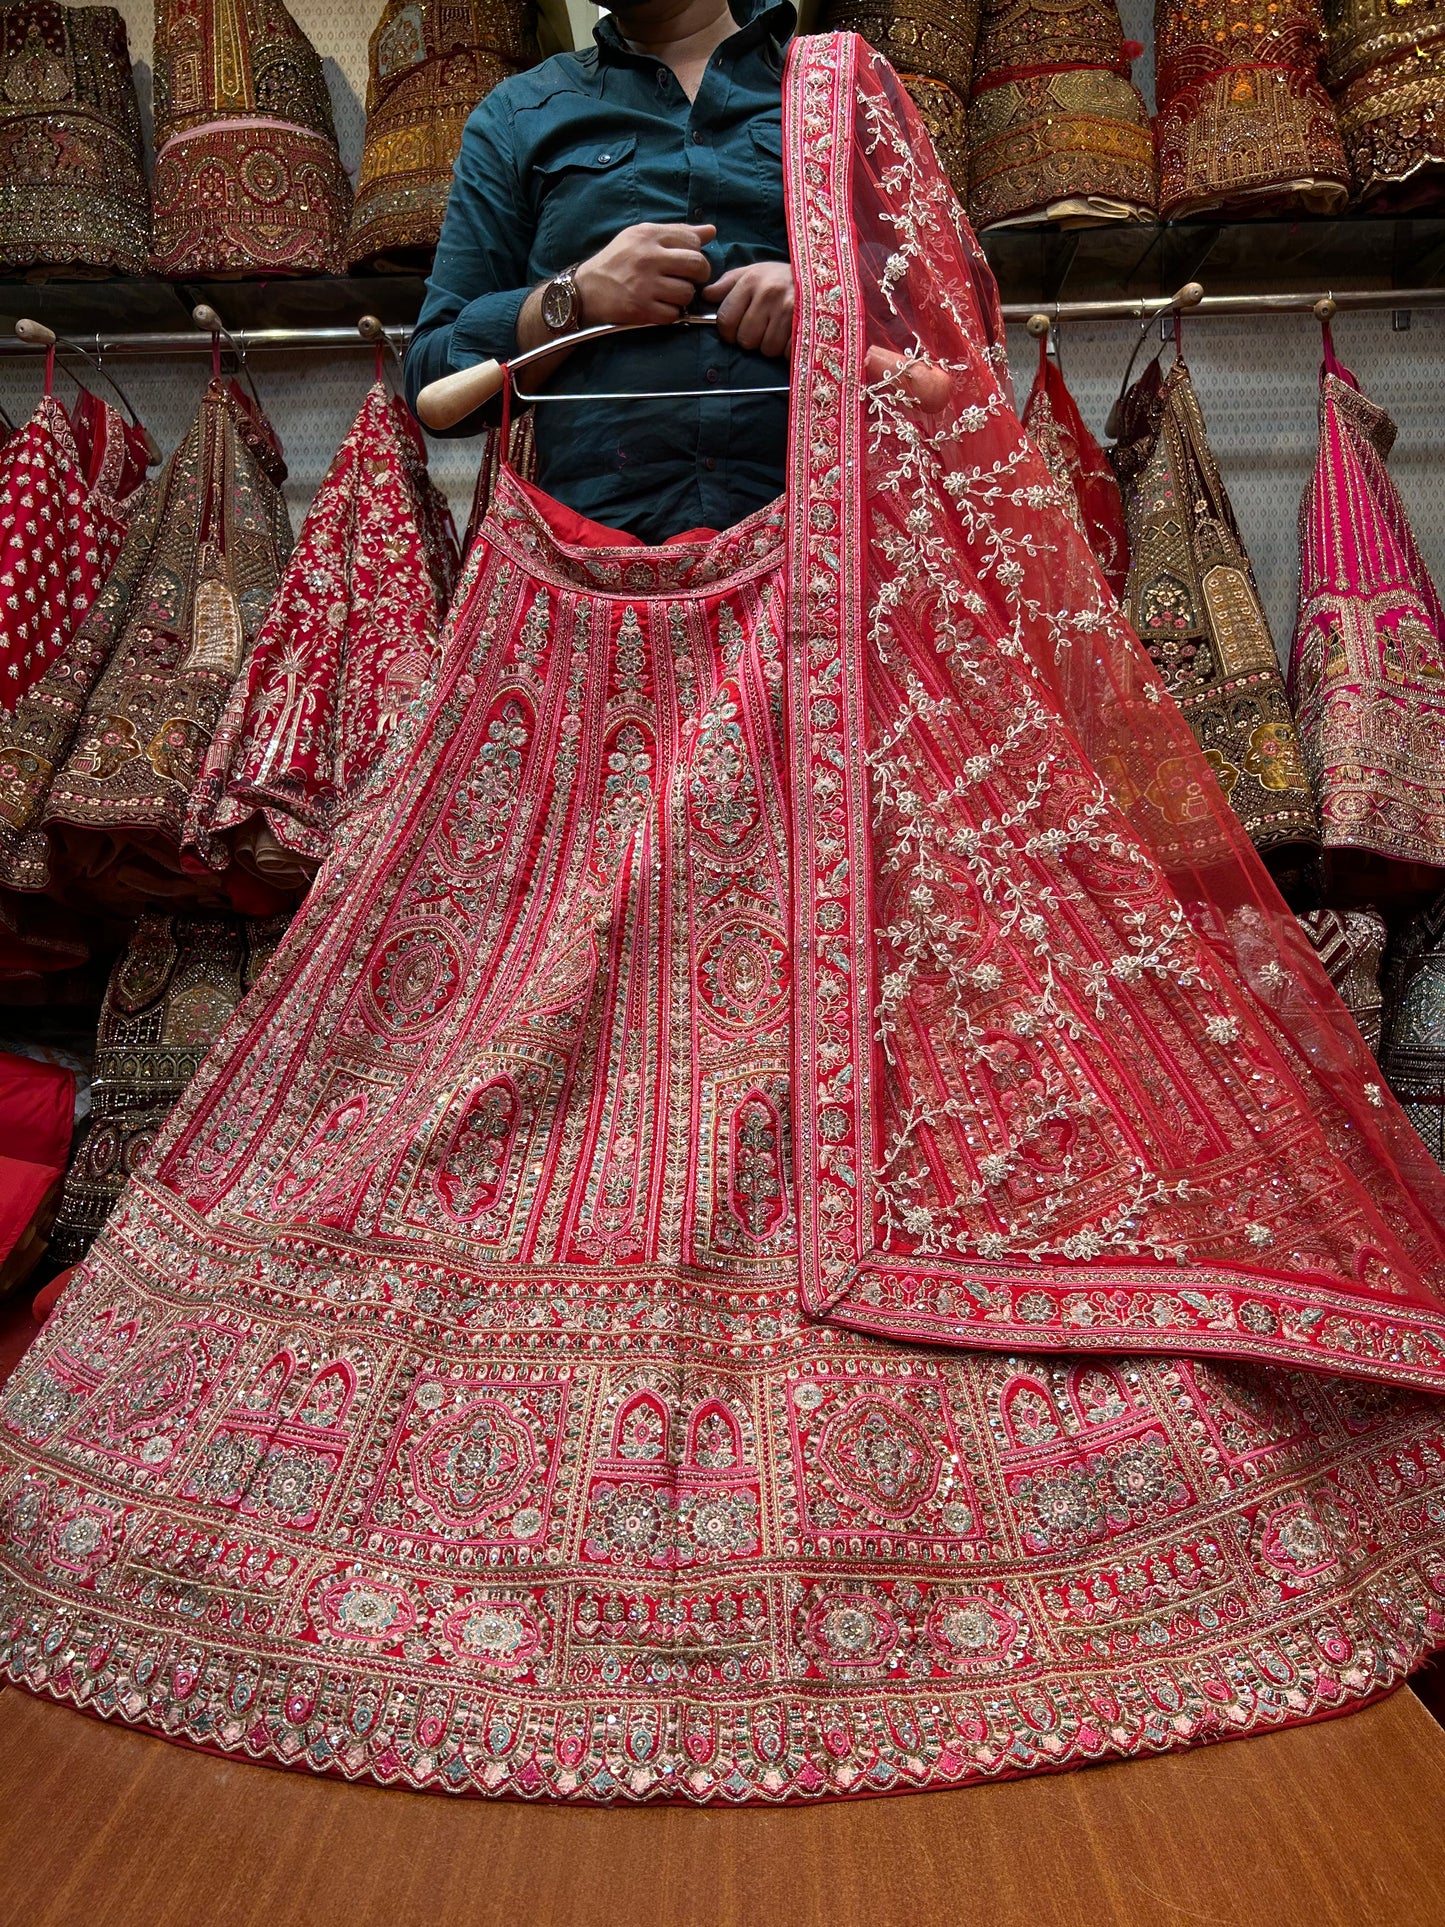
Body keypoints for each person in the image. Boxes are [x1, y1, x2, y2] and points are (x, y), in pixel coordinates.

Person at [405, 0, 797, 543]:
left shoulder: (839, 96)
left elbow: (941, 352)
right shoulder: (519, 116)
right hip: (596, 577)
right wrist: (576, 298)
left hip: (814, 569)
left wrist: (826, 299)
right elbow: (435, 384)